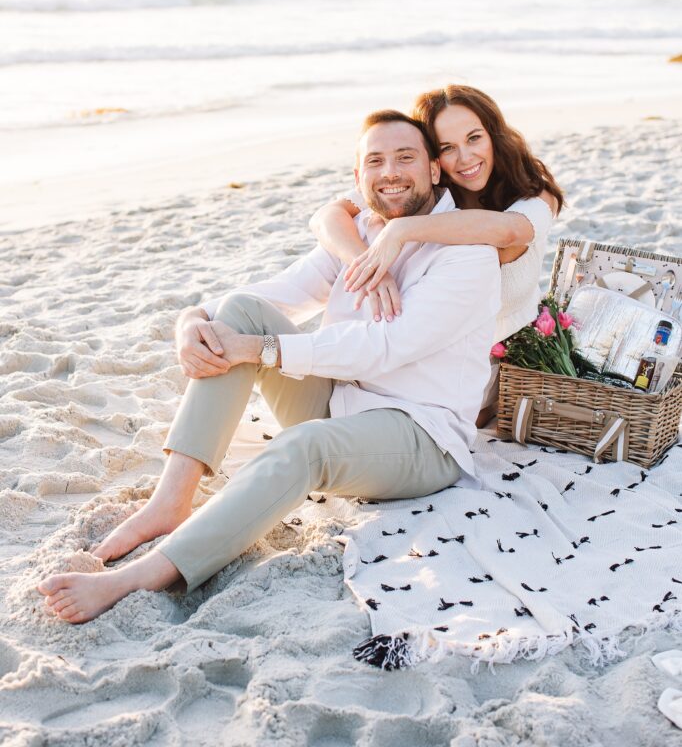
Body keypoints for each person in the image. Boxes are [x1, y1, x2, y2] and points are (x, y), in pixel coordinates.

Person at [37, 109, 501, 624]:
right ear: (357, 177)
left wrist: (262, 350)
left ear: (435, 170)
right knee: (238, 312)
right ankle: (171, 501)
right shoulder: (363, 233)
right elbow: (272, 296)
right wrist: (191, 322)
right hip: (341, 403)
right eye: (375, 161)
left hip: (420, 435)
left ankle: (145, 573)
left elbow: (385, 346)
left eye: (405, 158)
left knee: (303, 443)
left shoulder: (467, 256)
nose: (390, 171)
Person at [310, 85, 563, 426]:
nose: (465, 159)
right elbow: (327, 216)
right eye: (447, 148)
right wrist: (367, 262)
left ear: (494, 135)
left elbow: (509, 231)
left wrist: (401, 230)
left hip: (493, 359)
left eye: (474, 138)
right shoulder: (427, 187)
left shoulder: (533, 195)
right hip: (418, 347)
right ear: (432, 158)